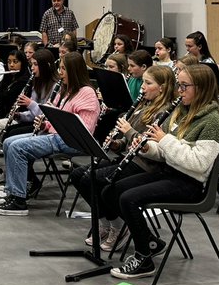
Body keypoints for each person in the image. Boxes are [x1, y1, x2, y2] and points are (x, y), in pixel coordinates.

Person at [108, 64, 219, 280]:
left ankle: (144, 258)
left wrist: (164, 139)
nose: (179, 91)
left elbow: (198, 163)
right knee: (116, 189)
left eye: (184, 86)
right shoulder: (183, 112)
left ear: (201, 88)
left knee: (129, 198)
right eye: (179, 85)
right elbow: (166, 153)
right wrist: (148, 148)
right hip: (170, 172)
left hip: (190, 183)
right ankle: (151, 242)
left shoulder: (213, 122)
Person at [70, 65, 177, 251]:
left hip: (147, 165)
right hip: (129, 158)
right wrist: (115, 143)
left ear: (163, 87)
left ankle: (118, 226)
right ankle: (107, 222)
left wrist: (129, 131)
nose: (142, 87)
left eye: (148, 83)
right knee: (78, 175)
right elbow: (127, 144)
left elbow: (147, 145)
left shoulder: (165, 113)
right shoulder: (144, 105)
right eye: (143, 82)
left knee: (92, 179)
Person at [0, 54, 100, 216]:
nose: (60, 73)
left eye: (64, 69)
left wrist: (53, 125)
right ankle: (13, 192)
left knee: (17, 147)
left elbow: (84, 129)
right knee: (8, 142)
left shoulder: (87, 93)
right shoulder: (67, 90)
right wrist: (44, 124)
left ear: (74, 71)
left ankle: (19, 201)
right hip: (57, 136)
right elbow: (56, 117)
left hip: (71, 141)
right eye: (60, 68)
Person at [0, 48, 58, 185]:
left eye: (35, 65)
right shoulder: (35, 83)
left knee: (6, 136)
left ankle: (11, 177)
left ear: (46, 66)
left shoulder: (54, 86)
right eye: (31, 64)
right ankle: (6, 175)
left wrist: (31, 104)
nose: (32, 68)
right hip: (32, 123)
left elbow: (48, 114)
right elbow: (32, 114)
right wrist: (20, 115)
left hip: (46, 128)